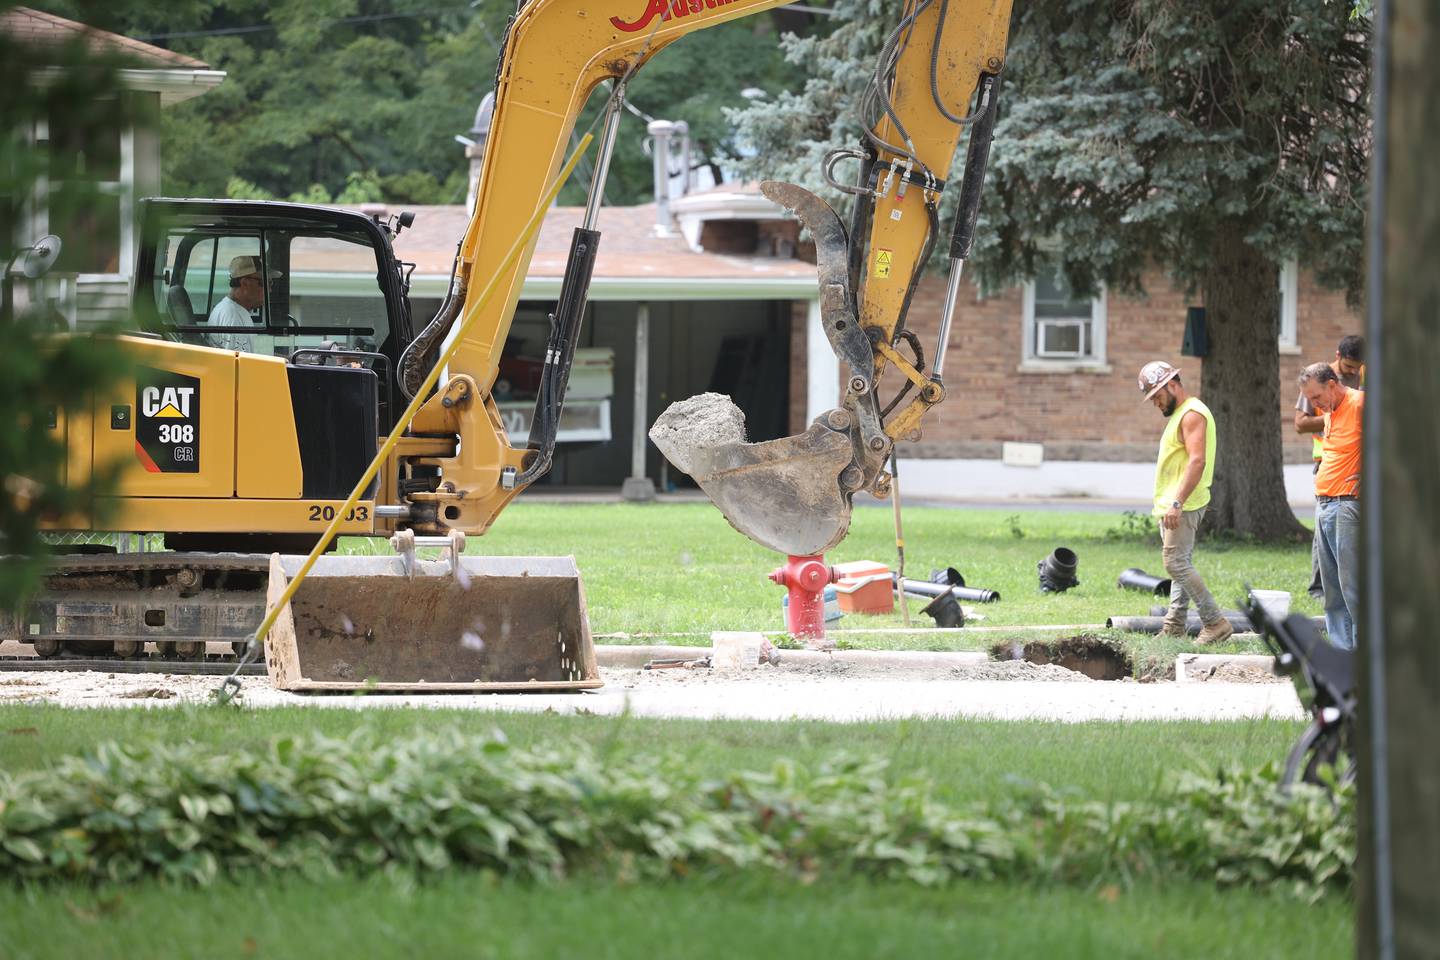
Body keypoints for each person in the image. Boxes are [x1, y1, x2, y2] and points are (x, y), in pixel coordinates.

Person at [1138, 360, 1233, 644]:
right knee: (1180, 563)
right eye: (1152, 398)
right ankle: (1174, 626)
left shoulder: (1192, 414)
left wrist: (1177, 503)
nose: (1156, 403)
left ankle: (1215, 622)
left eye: (1157, 395)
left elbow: (1197, 461)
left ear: (1172, 384)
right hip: (1173, 504)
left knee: (1175, 563)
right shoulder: (1180, 414)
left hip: (1184, 504)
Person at [1298, 362, 1364, 650]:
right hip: (1325, 504)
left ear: (1332, 385)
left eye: (1316, 398)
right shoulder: (1329, 413)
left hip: (1348, 505)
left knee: (1353, 587)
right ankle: (1343, 652)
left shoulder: (1360, 403)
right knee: (1332, 591)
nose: (1314, 405)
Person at [207, 255, 280, 352]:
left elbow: (255, 355)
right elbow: (241, 364)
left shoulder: (235, 311)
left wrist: (292, 360)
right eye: (265, 283)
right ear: (245, 283)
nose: (269, 290)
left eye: (271, 283)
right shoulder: (233, 317)